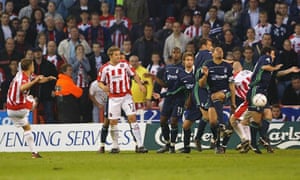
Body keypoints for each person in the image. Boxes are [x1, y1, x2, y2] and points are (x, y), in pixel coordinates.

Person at [97, 46, 148, 153]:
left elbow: (134, 75)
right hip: (113, 98)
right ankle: (115, 146)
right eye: (116, 55)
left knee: (132, 118)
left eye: (119, 54)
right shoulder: (105, 68)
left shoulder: (125, 64)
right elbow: (100, 82)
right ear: (110, 56)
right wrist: (103, 87)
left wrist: (140, 85)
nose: (118, 56)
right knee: (113, 121)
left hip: (126, 96)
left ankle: (140, 145)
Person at [6, 58, 56, 158]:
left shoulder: (27, 74)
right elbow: (22, 88)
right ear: (30, 67)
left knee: (27, 128)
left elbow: (39, 79)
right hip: (19, 107)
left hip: (11, 109)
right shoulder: (22, 78)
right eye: (32, 65)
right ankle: (32, 105)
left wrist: (48, 79)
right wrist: (35, 81)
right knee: (33, 99)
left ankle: (35, 153)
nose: (33, 67)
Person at [153, 48, 194, 153]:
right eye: (174, 52)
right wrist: (155, 78)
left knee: (174, 121)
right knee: (162, 120)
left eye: (178, 53)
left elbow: (183, 86)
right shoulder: (168, 68)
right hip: (169, 98)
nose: (175, 54)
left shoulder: (183, 68)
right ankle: (167, 144)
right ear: (171, 54)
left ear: (181, 55)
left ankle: (172, 145)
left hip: (179, 98)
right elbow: (166, 85)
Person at [199, 47, 236, 154]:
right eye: (217, 50)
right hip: (212, 95)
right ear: (213, 54)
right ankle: (218, 144)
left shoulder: (227, 66)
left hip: (225, 93)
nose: (220, 52)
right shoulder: (208, 65)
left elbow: (232, 85)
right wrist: (205, 76)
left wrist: (233, 102)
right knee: (212, 122)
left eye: (221, 50)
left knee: (216, 96)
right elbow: (201, 84)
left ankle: (223, 123)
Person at [246, 47, 282, 154]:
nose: (273, 56)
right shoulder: (266, 58)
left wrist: (289, 70)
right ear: (268, 53)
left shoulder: (266, 61)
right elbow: (264, 67)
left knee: (268, 116)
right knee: (256, 120)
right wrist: (275, 68)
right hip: (256, 90)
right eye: (273, 54)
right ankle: (254, 142)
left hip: (263, 92)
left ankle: (262, 138)